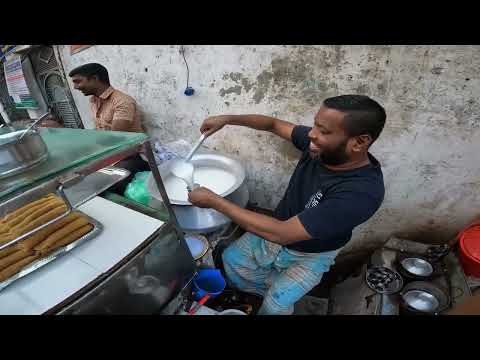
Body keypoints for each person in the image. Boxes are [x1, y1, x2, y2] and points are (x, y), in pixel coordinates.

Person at [188, 94, 387, 315]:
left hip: (309, 254)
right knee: (231, 260)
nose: (311, 134)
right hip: (274, 231)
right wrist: (226, 119)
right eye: (315, 125)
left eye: (324, 131)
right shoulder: (318, 147)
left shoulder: (361, 193)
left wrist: (214, 201)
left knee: (276, 307)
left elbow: (283, 234)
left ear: (359, 142)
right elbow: (272, 124)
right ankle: (260, 292)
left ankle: (271, 297)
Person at [68, 63, 149, 194]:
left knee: (102, 185)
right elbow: (101, 131)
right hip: (109, 153)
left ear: (94, 78)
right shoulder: (94, 100)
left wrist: (91, 162)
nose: (76, 87)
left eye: (78, 81)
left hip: (131, 155)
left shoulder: (122, 101)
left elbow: (116, 139)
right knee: (76, 176)